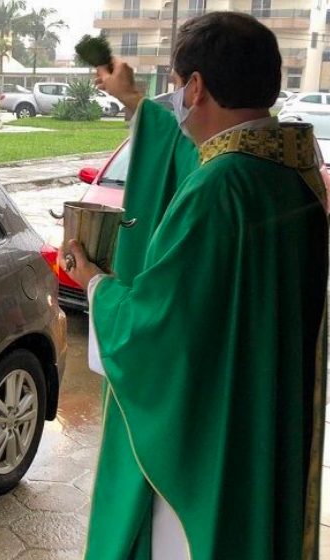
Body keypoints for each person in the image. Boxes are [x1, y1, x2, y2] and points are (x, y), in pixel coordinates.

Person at [65, 12, 328, 560]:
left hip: (209, 437)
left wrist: (95, 284)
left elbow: (156, 331)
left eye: (179, 86)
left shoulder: (218, 189)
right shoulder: (291, 173)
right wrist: (134, 98)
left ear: (198, 87)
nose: (176, 101)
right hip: (263, 415)